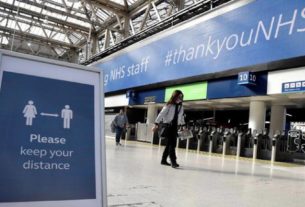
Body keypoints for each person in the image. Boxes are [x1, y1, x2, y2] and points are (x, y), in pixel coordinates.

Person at [152, 90, 185, 168]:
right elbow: (161, 114)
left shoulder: (181, 106)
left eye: (181, 97)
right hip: (167, 126)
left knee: (169, 145)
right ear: (174, 96)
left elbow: (181, 117)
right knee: (172, 144)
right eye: (179, 96)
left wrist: (183, 125)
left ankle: (163, 160)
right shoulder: (169, 105)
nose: (180, 98)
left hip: (174, 127)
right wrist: (156, 123)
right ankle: (173, 161)